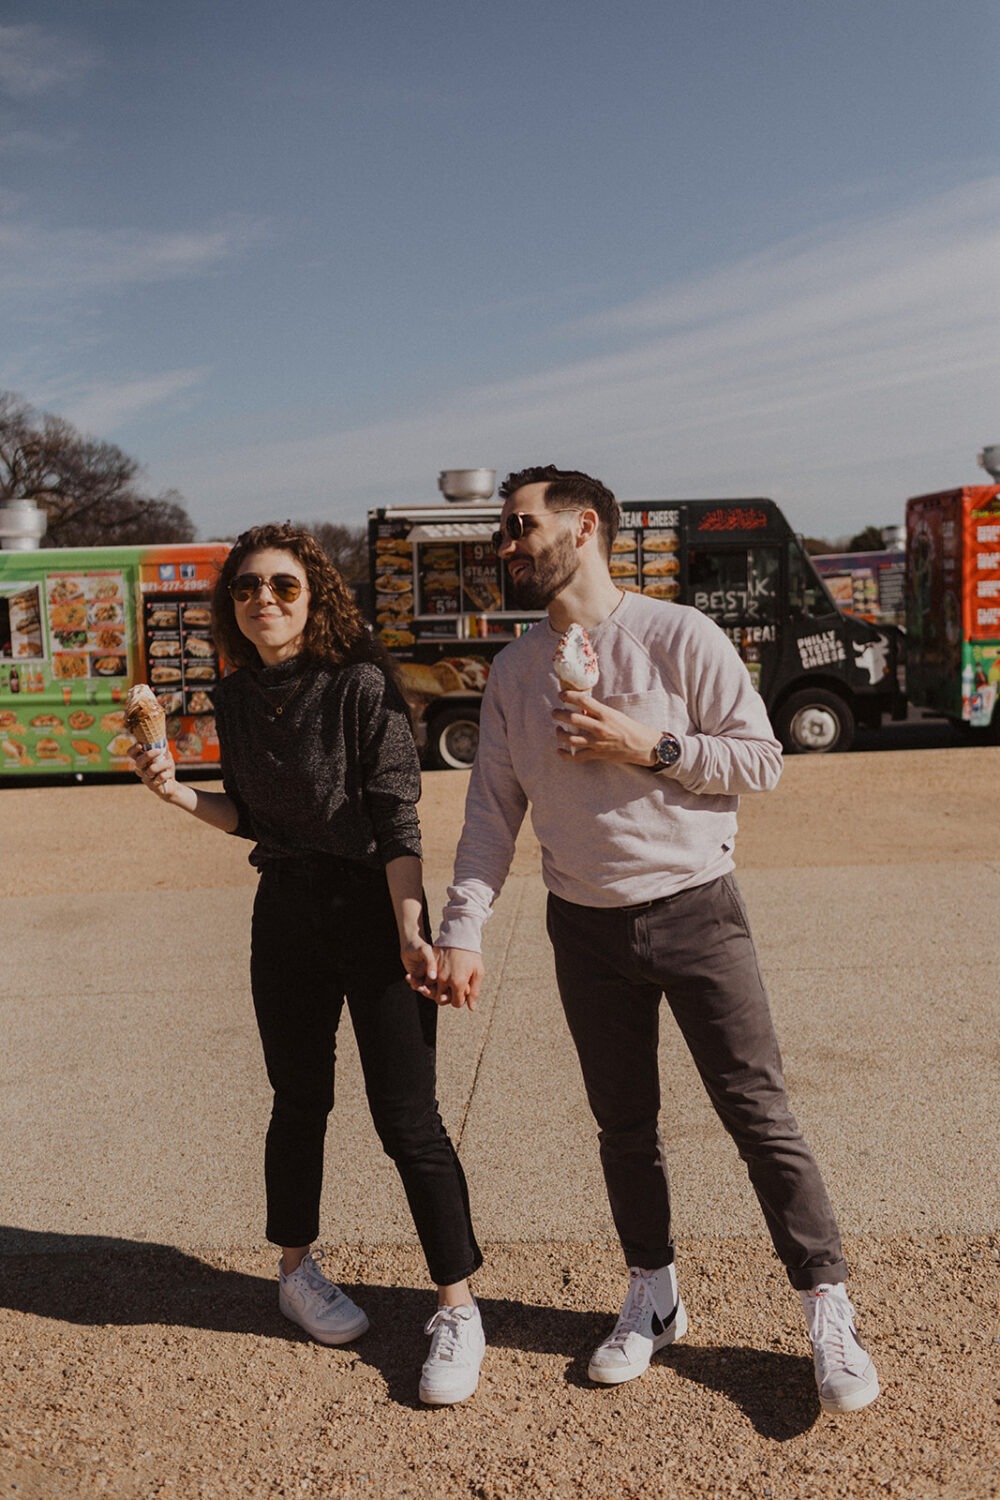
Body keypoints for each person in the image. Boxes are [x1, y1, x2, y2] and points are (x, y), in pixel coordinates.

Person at [428, 466, 879, 1414]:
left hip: (695, 908)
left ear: (583, 527)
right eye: (503, 533)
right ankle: (653, 1295)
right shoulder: (514, 671)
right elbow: (489, 817)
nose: (503, 547)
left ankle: (826, 1304)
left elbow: (762, 761)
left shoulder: (679, 636)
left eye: (517, 528)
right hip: (582, 925)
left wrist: (651, 747)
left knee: (759, 1115)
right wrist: (462, 929)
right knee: (623, 1126)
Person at [129, 522, 485, 1406]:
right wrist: (177, 792)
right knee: (298, 1100)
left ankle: (458, 1305)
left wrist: (413, 929)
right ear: (232, 606)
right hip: (283, 911)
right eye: (247, 589)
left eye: (283, 586)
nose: (264, 601)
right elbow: (253, 815)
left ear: (315, 595)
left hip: (371, 909)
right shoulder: (238, 695)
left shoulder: (361, 685)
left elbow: (397, 820)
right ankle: (295, 1269)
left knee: (408, 1116)